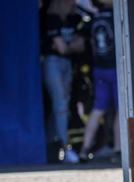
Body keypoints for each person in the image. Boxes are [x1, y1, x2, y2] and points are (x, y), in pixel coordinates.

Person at [42, 0, 85, 163]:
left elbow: (80, 46)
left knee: (62, 107)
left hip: (67, 63)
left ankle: (54, 147)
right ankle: (65, 148)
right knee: (60, 105)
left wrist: (68, 47)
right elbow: (62, 48)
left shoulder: (74, 18)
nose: (72, 3)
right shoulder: (50, 18)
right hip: (52, 62)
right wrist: (69, 46)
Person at [79, 0, 120, 161]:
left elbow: (92, 45)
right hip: (115, 69)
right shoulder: (116, 17)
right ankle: (118, 151)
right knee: (120, 110)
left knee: (97, 109)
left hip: (99, 69)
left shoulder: (94, 18)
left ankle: (84, 150)